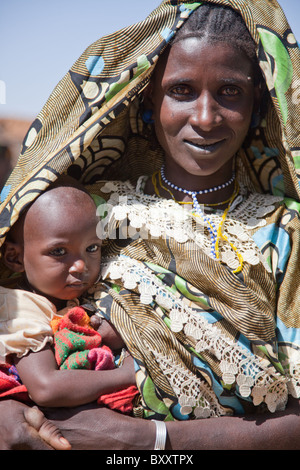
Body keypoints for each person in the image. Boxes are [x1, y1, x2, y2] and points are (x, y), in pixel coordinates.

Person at [1, 0, 300, 450]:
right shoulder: (86, 210)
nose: (205, 117)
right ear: (147, 100)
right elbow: (16, 320)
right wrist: (6, 411)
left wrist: (145, 438)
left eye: (230, 92)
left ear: (258, 103)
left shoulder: (286, 233)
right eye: (181, 90)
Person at [0, 177, 137, 415]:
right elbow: (46, 388)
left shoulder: (77, 296)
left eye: (92, 248)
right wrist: (128, 373)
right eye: (59, 251)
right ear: (15, 258)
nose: (80, 265)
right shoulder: (20, 308)